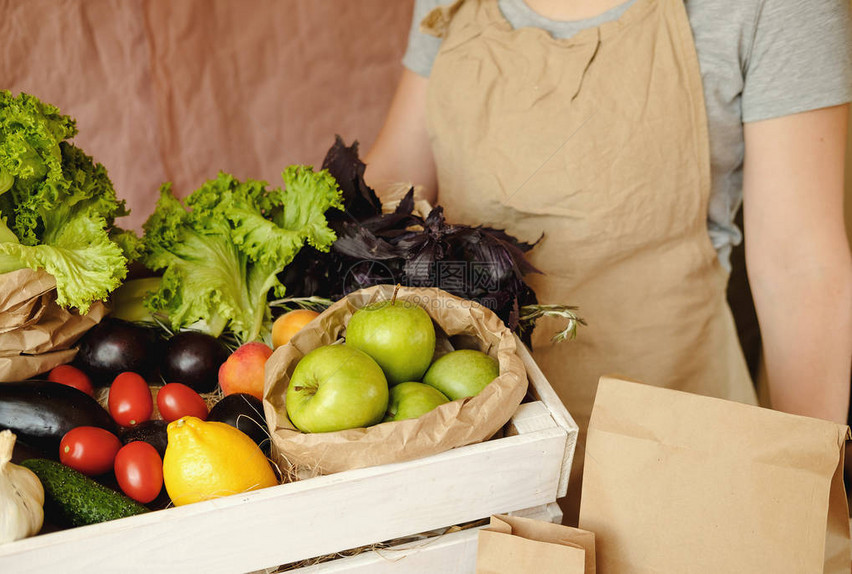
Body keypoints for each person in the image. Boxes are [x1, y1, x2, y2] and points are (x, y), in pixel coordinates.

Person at [364, 0, 852, 522]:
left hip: (681, 451)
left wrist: (801, 492)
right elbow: (394, 187)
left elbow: (801, 268)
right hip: (471, 450)